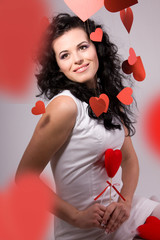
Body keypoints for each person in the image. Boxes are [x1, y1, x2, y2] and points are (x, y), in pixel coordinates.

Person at [15, 13, 160, 240]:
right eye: (65, 55)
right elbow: (25, 178)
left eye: (82, 47)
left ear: (96, 48)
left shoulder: (109, 100)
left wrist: (125, 202)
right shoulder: (64, 107)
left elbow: (130, 160)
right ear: (58, 66)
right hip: (84, 231)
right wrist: (75, 216)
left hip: (121, 217)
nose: (77, 59)